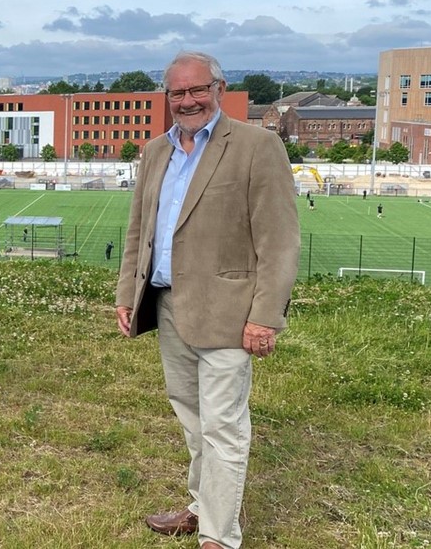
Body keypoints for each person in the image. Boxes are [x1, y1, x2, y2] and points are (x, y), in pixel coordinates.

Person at [115, 51, 299, 549]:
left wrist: (265, 317)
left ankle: (219, 535)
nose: (189, 100)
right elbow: (140, 230)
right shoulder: (157, 151)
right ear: (167, 97)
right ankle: (202, 505)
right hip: (168, 304)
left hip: (228, 312)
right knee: (192, 418)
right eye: (178, 92)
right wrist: (127, 291)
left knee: (223, 427)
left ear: (218, 89)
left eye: (198, 90)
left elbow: (279, 240)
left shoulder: (257, 147)